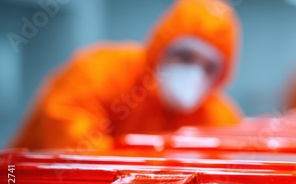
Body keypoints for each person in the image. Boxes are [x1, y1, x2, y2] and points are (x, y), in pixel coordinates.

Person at [10, 0, 242, 150]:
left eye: (209, 67)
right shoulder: (101, 71)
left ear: (220, 77)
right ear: (161, 48)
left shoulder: (218, 119)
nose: (194, 72)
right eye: (184, 56)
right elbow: (74, 146)